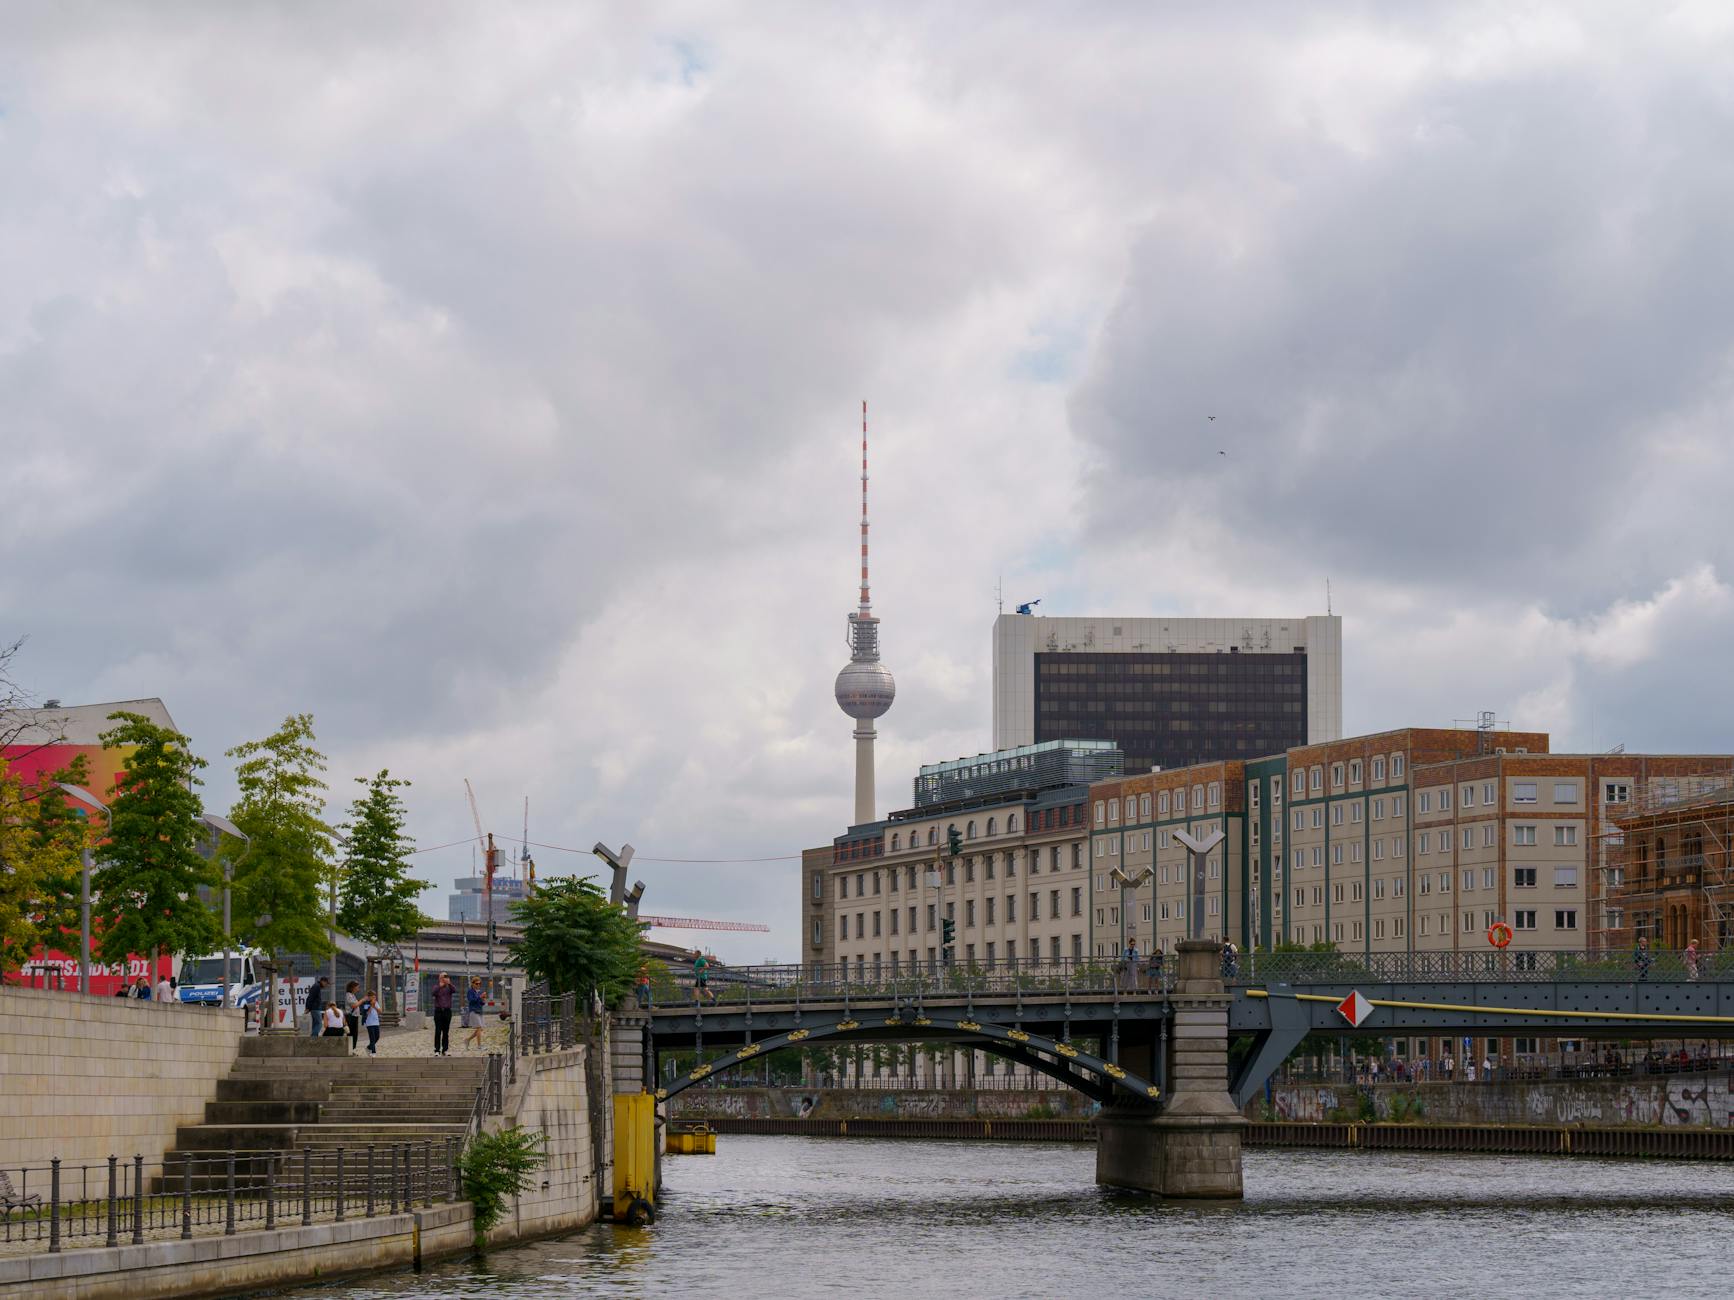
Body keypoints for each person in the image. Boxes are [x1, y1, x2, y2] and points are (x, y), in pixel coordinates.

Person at [431, 972, 455, 1056]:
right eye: (443, 977)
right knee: (438, 1031)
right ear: (440, 978)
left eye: (446, 976)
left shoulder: (449, 987)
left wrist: (449, 983)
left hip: (447, 1011)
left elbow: (454, 990)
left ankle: (445, 1049)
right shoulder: (436, 987)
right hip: (438, 1011)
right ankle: (437, 1050)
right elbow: (433, 993)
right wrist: (440, 986)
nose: (444, 978)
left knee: (446, 1031)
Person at [462, 976, 486, 1051]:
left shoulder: (479, 992)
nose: (478, 985)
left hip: (479, 1011)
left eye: (479, 984)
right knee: (479, 1028)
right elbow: (471, 1001)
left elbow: (481, 1003)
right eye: (476, 983)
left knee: (480, 1029)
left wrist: (483, 1000)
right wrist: (480, 997)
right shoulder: (470, 991)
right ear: (472, 984)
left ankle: (468, 1040)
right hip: (473, 1011)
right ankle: (479, 1046)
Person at [343, 980, 361, 1054]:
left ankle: (352, 1049)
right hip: (350, 1017)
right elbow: (354, 1005)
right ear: (353, 987)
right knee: (350, 1033)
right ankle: (349, 1049)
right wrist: (362, 1000)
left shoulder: (353, 995)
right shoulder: (349, 995)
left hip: (354, 1016)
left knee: (354, 1033)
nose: (358, 988)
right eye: (357, 987)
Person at [362, 991, 382, 1056]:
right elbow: (366, 1013)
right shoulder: (366, 1004)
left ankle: (368, 1047)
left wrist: (374, 1006)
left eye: (375, 996)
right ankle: (373, 1052)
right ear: (369, 997)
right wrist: (371, 1006)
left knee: (377, 1037)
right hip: (369, 1023)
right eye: (373, 996)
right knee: (372, 1038)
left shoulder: (376, 1003)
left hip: (376, 1022)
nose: (374, 998)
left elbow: (380, 1011)